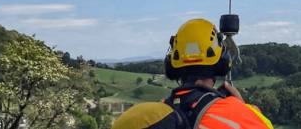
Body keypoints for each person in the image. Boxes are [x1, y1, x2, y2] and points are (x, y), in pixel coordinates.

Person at [112, 18, 272, 129]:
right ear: (223, 61)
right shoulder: (243, 116)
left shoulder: (152, 118)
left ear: (172, 63)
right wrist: (243, 108)